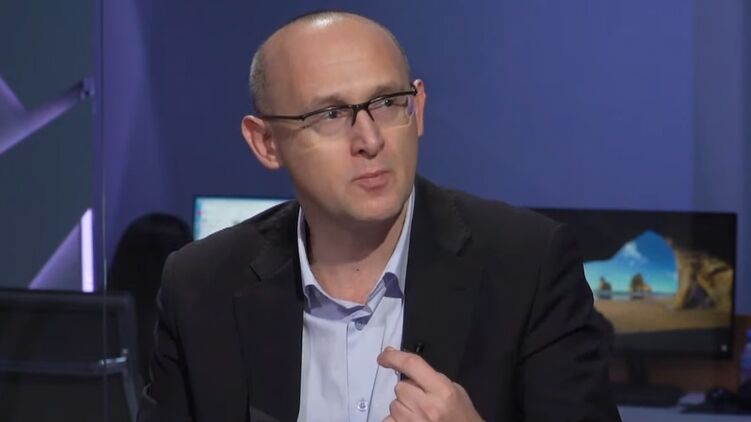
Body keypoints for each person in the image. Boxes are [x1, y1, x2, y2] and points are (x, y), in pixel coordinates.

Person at [138, 10, 621, 422]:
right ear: (266, 142)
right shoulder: (201, 286)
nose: (370, 140)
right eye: (330, 115)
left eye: (388, 104)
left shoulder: (527, 265)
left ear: (419, 109)